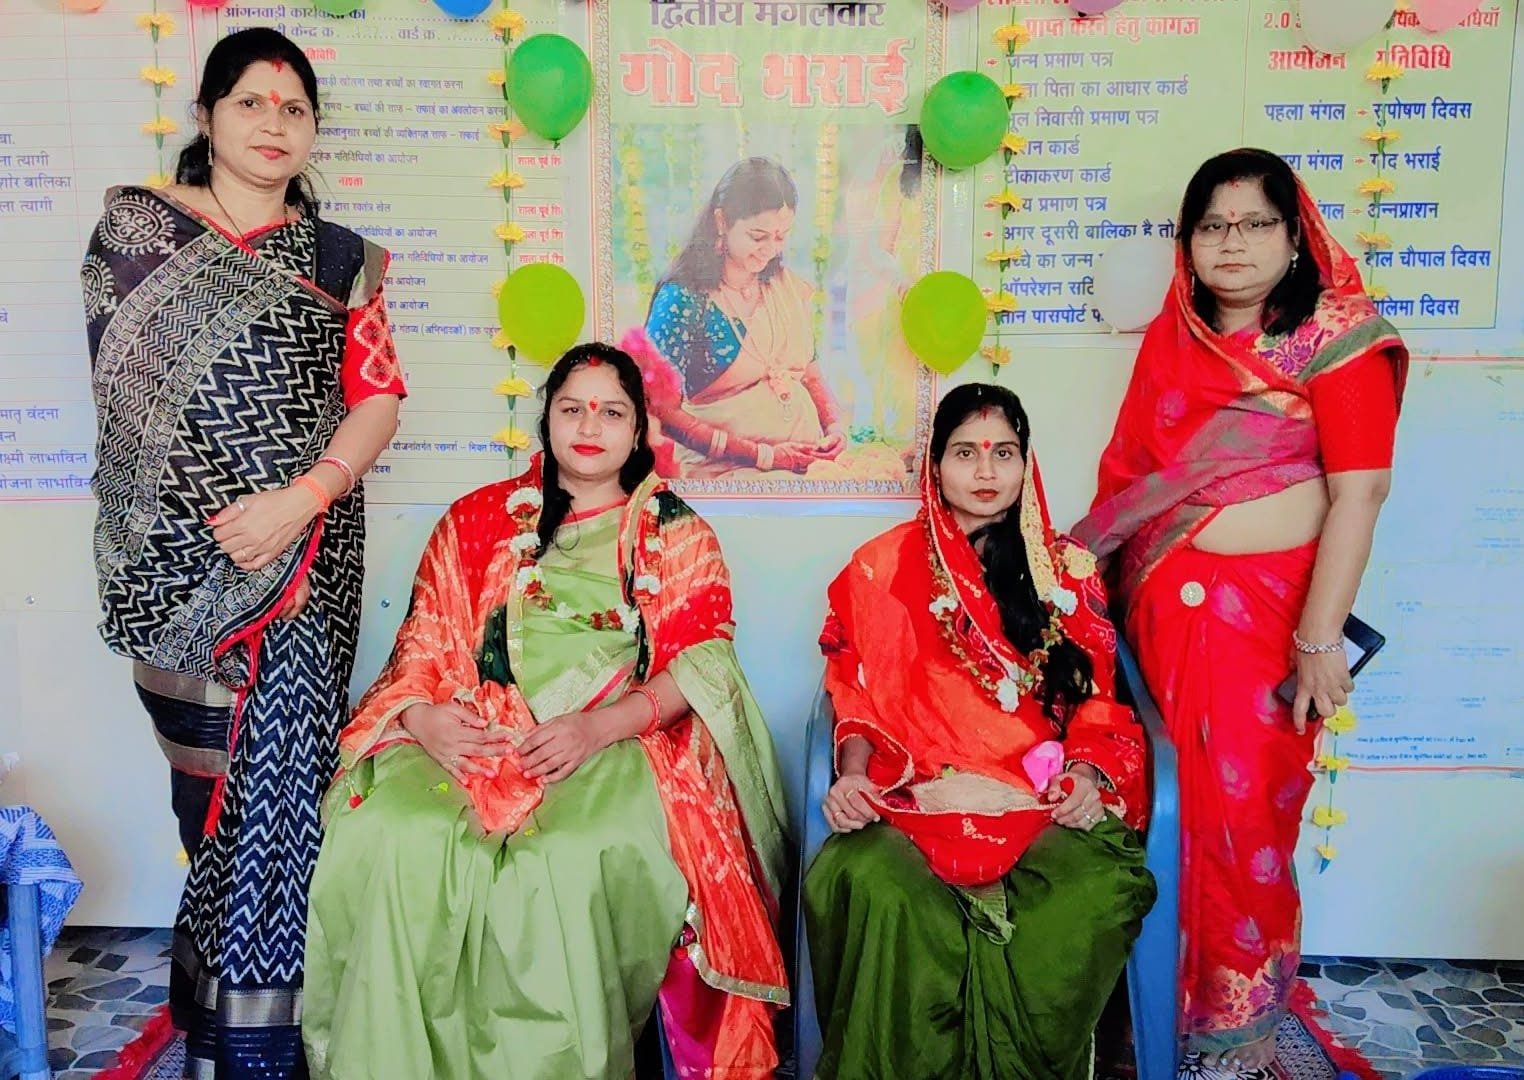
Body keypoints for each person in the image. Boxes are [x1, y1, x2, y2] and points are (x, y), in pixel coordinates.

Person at [303, 344, 791, 1079]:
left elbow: (705, 665)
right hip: (470, 731)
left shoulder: (675, 533)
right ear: (548, 419)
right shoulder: (475, 520)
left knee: (565, 859)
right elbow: (424, 643)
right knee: (394, 832)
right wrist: (423, 721)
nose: (589, 426)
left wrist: (597, 727)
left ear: (638, 430)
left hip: (611, 740)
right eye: (572, 408)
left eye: (611, 412)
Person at [81, 27, 404, 1077]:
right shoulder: (139, 231)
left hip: (309, 568)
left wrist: (298, 504)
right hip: (176, 568)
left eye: (294, 108)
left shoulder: (342, 259)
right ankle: (211, 1010)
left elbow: (378, 397)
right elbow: (132, 414)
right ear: (208, 117)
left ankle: (256, 1044)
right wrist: (233, 537)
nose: (275, 124)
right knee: (209, 808)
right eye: (252, 102)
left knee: (281, 805)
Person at [1073, 148, 1407, 1071]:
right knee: (1165, 810)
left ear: (1294, 235)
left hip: (1270, 632)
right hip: (1167, 628)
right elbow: (1133, 482)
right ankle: (1151, 1010)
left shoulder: (1337, 336)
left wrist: (1319, 640)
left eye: (1256, 222)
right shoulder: (1172, 341)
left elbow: (1361, 493)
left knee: (1245, 818)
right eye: (1212, 225)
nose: (1233, 242)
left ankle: (1233, 1024)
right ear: (1187, 242)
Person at [804, 383, 1157, 1080]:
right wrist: (852, 775)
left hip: (1038, 802)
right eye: (965, 453)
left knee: (1099, 888)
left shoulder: (1067, 571)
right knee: (873, 886)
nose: (986, 471)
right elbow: (855, 691)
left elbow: (1099, 702)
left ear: (1027, 463)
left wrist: (1085, 775)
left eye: (1004, 452)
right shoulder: (880, 567)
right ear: (934, 465)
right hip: (914, 798)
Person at [644, 156, 846, 477]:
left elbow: (810, 373)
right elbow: (662, 411)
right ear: (722, 222)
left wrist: (834, 427)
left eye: (781, 236)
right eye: (758, 236)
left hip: (807, 464)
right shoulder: (683, 298)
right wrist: (764, 456)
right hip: (724, 473)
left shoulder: (782, 285)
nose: (771, 249)